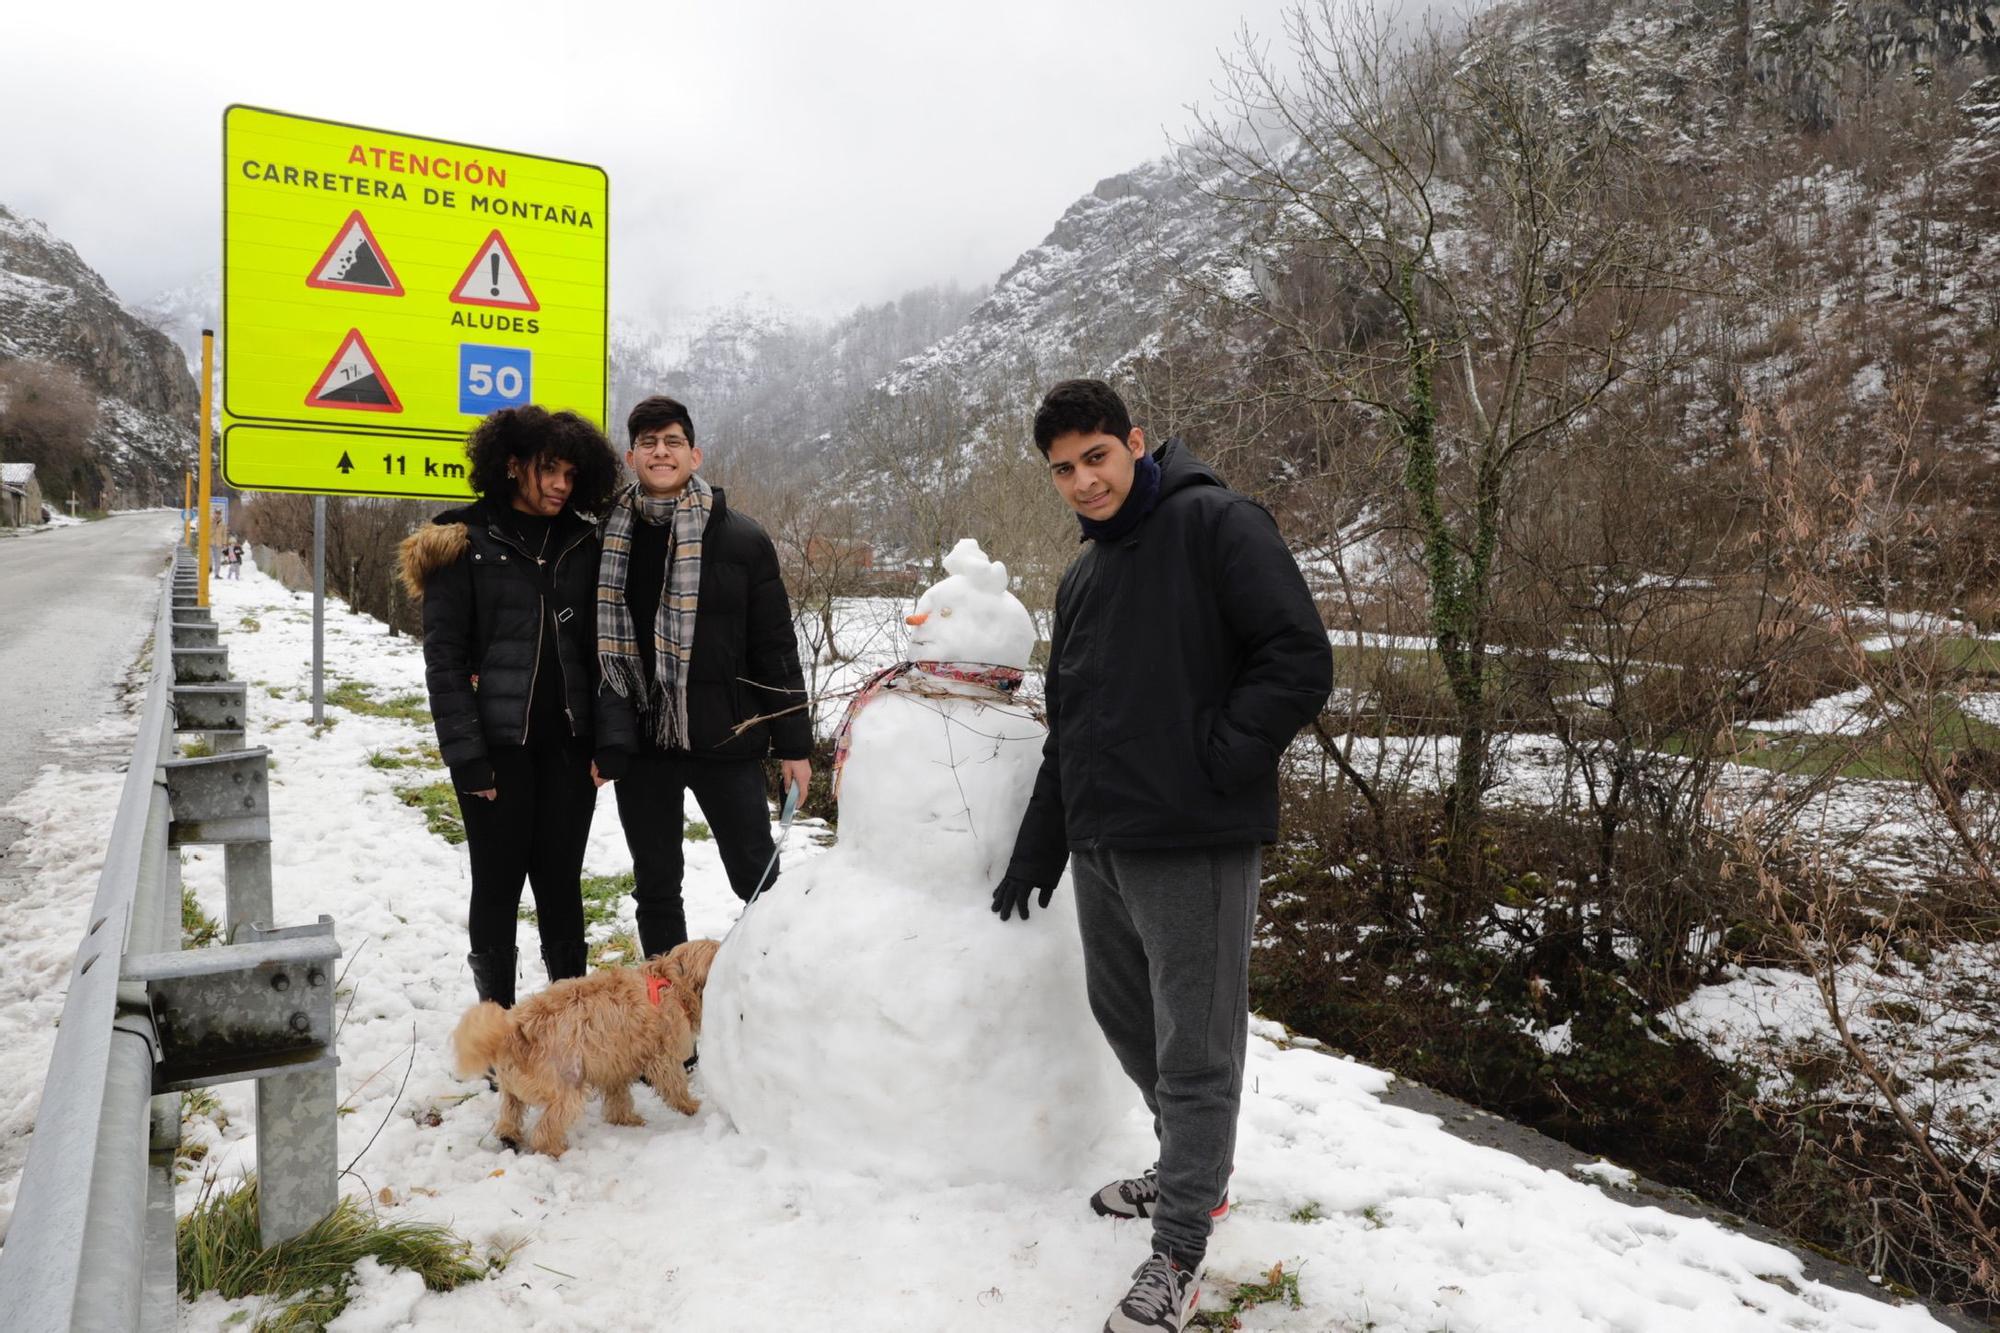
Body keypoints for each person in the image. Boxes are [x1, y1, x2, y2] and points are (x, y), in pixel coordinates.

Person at [991, 379, 1332, 1333]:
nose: (1082, 481)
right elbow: (1074, 725)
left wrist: (1216, 761)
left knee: (1195, 1044)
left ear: (1134, 442)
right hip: (1106, 839)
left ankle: (1179, 1245)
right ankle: (1192, 1163)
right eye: (1062, 469)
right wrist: (1039, 845)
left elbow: (1298, 657)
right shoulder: (1085, 575)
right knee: (1124, 1012)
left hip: (1194, 836)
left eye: (1095, 456)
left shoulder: (1217, 523)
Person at [398, 405, 621, 1007]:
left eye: (572, 475)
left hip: (571, 751)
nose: (560, 485)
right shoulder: (460, 541)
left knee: (561, 887)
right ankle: (498, 1030)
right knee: (497, 887)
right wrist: (466, 758)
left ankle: (569, 1018)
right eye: (549, 469)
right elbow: (444, 662)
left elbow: (604, 649)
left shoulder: (584, 541)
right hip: (497, 752)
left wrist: (607, 741)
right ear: (512, 463)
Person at [592, 395, 812, 959]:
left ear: (695, 454)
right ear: (630, 456)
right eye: (648, 443)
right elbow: (590, 649)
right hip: (644, 744)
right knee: (657, 887)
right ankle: (670, 1008)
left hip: (728, 738)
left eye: (672, 442)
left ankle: (774, 980)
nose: (660, 452)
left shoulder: (742, 539)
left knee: (757, 877)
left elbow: (774, 648)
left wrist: (793, 745)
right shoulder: (605, 539)